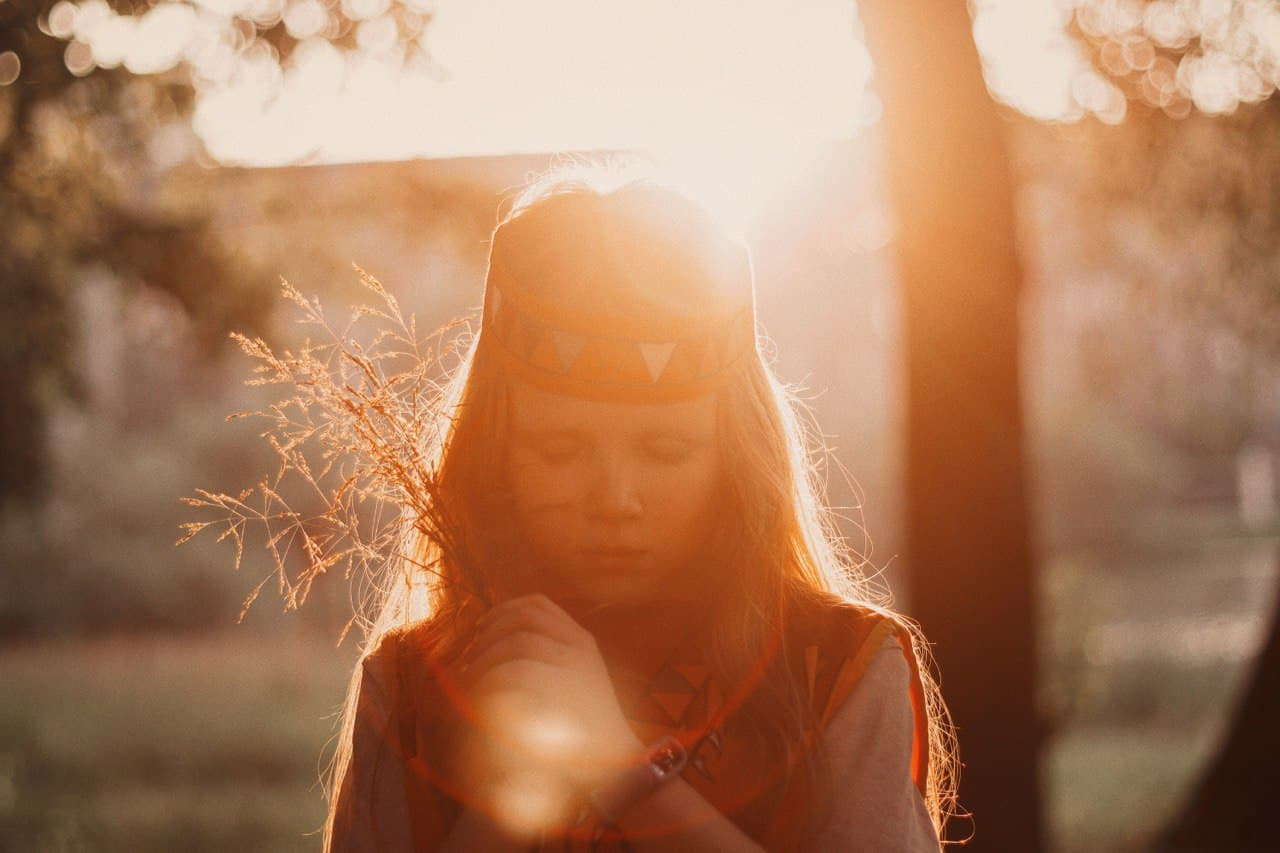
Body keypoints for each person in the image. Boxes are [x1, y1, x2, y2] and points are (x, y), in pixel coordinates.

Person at [323, 163, 959, 851]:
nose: (615, 499)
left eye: (665, 450)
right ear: (495, 450)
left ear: (738, 457)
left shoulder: (837, 668)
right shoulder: (416, 681)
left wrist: (618, 770)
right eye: (561, 448)